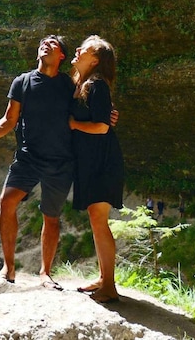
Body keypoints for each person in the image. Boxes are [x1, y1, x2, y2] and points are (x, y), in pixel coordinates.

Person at [0, 35, 75, 290]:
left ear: (62, 56)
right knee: (6, 201)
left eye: (52, 44)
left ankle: (45, 274)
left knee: (51, 216)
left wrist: (106, 115)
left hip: (60, 160)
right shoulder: (22, 82)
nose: (46, 44)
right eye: (43, 42)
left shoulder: (68, 84)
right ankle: (8, 269)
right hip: (28, 157)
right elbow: (9, 120)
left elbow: (86, 105)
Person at [69, 35, 124, 304]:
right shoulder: (81, 84)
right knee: (96, 219)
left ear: (96, 60)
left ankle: (110, 286)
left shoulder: (97, 85)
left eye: (85, 49)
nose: (78, 50)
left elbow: (102, 126)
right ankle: (104, 279)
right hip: (91, 162)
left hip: (103, 162)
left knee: (99, 220)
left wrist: (73, 125)